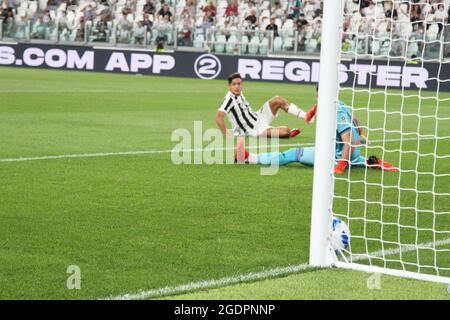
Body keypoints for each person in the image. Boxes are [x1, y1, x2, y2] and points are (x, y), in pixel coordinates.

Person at [235, 86, 396, 174]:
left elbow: (347, 141)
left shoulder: (336, 111)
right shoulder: (338, 104)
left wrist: (340, 165)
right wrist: (361, 136)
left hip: (335, 157)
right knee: (354, 157)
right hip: (349, 154)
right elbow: (356, 122)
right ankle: (369, 162)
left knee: (293, 154)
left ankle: (249, 158)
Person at [215, 72, 316, 139]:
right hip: (253, 131)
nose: (237, 86)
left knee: (277, 100)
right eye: (234, 84)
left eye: (239, 84)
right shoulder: (229, 100)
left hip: (258, 117)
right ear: (229, 86)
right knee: (285, 131)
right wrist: (226, 134)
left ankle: (306, 116)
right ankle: (288, 133)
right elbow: (219, 117)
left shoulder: (239, 93)